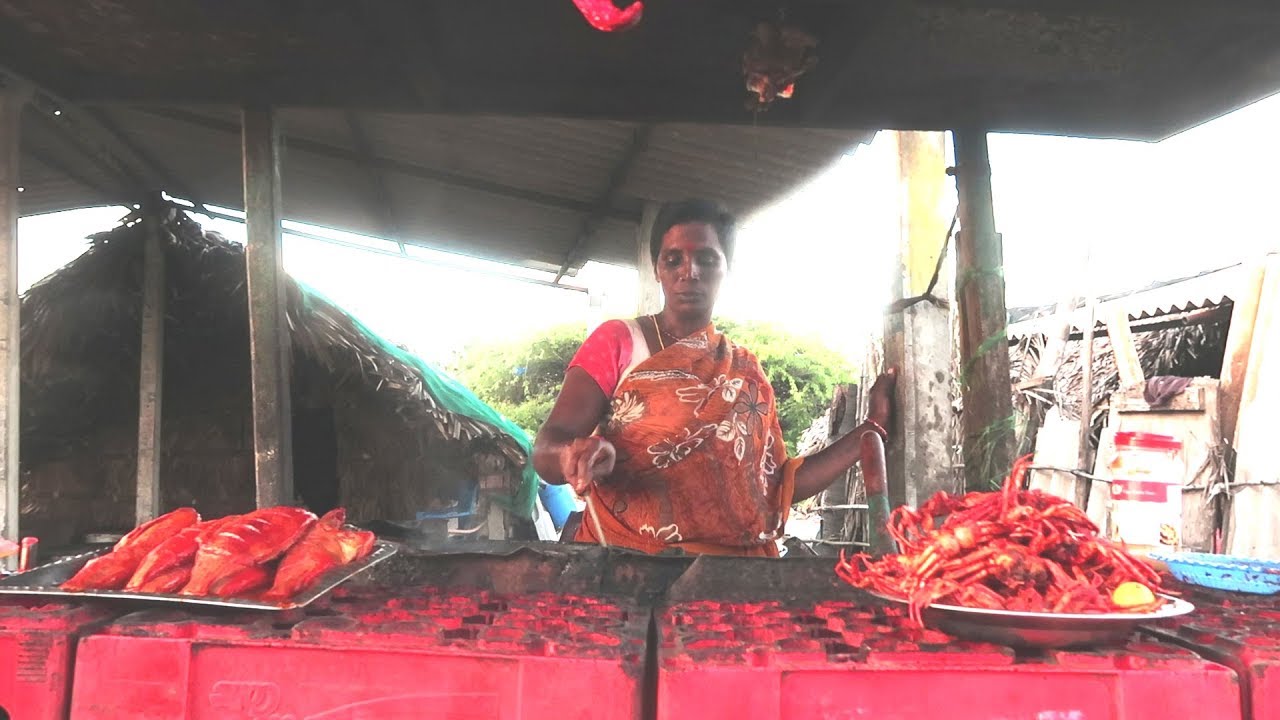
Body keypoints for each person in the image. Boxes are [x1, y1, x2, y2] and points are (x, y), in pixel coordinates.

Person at [533, 198, 896, 557]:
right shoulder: (619, 342)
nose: (689, 272)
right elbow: (548, 447)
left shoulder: (745, 371)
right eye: (673, 259)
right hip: (627, 569)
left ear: (726, 268)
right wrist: (572, 456)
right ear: (657, 268)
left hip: (730, 581)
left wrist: (871, 428)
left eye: (706, 259)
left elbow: (778, 486)